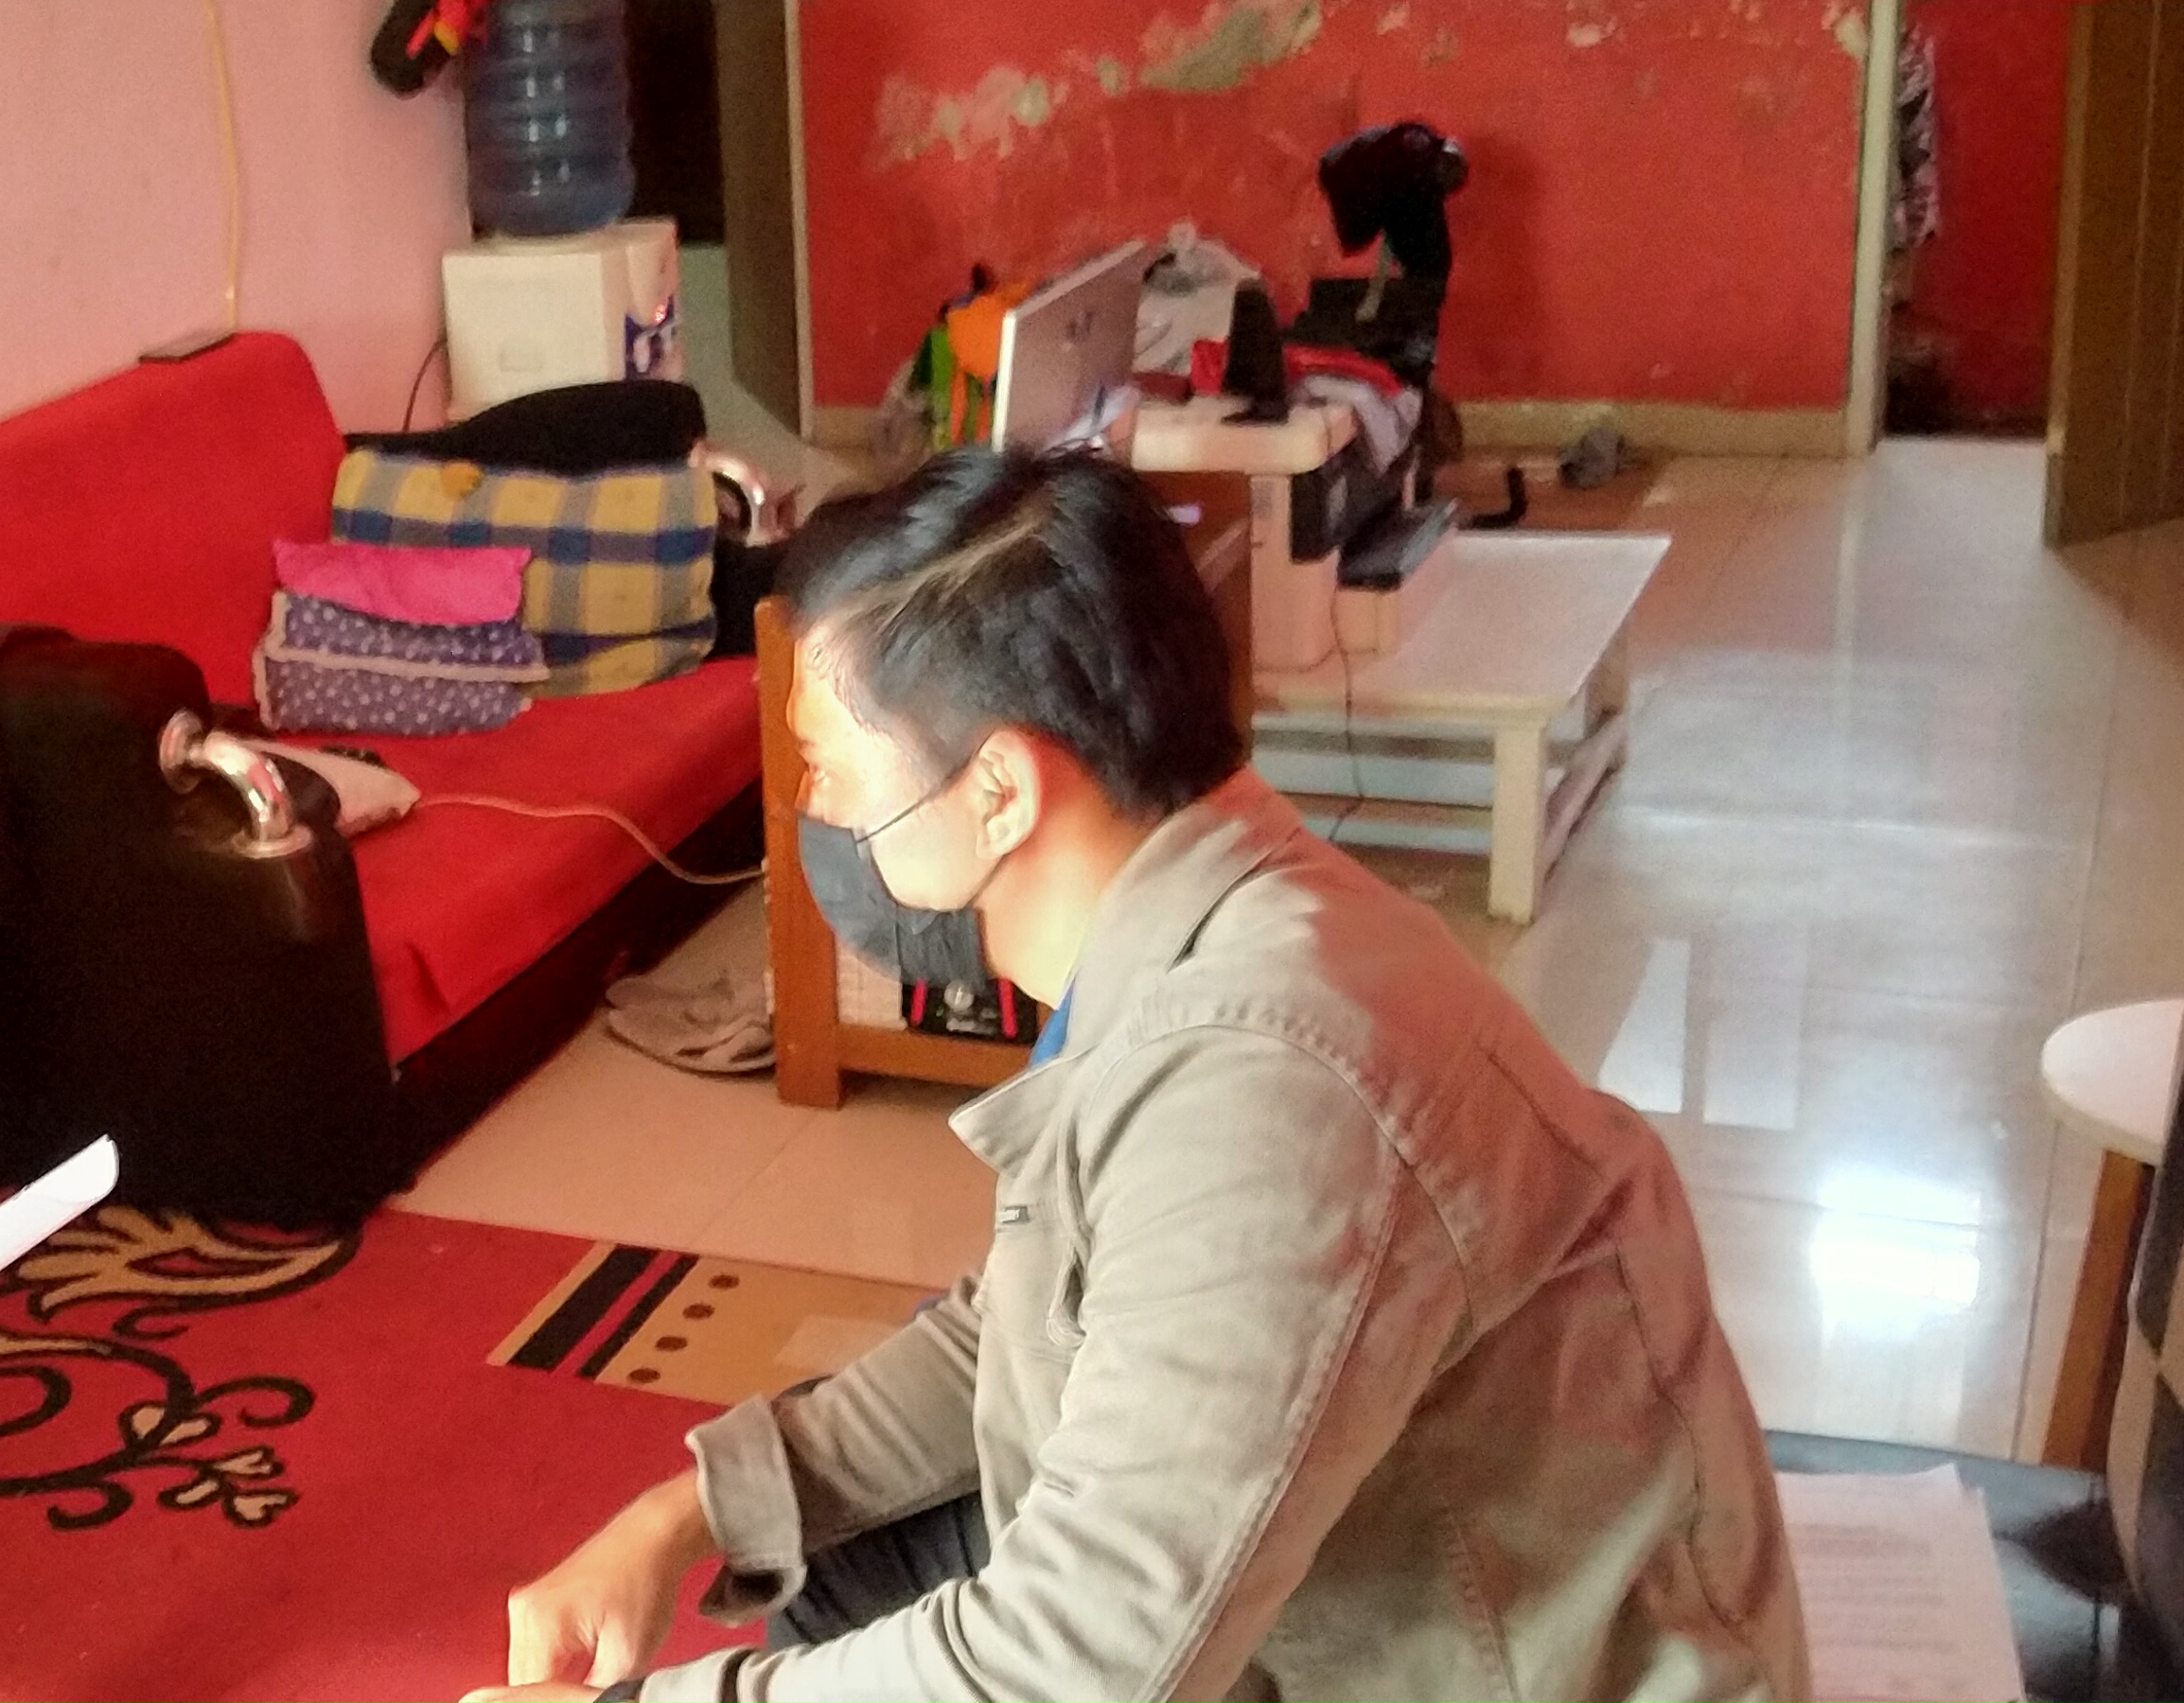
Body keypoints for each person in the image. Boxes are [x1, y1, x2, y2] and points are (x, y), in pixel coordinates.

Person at [470, 450, 1806, 1703]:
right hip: (1399, 1596)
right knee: (847, 1569)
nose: (814, 811)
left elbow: (1082, 1663)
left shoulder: (1265, 1084)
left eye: (828, 767)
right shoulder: (1212, 911)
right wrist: (693, 1511)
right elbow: (1026, 1321)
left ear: (999, 790)